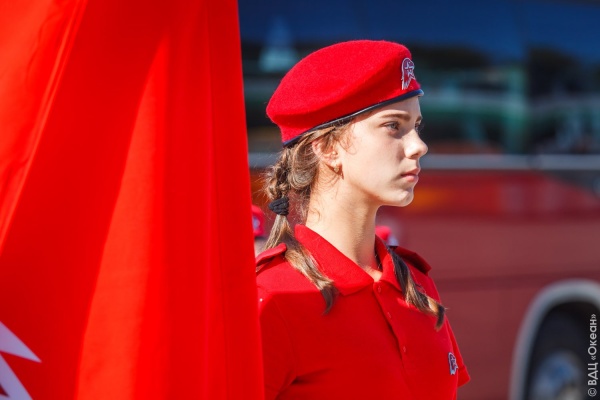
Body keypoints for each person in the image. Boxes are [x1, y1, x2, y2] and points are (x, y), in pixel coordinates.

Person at [255, 40, 470, 399]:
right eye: (393, 126)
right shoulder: (274, 298)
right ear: (327, 147)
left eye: (416, 126)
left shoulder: (416, 285)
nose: (419, 146)